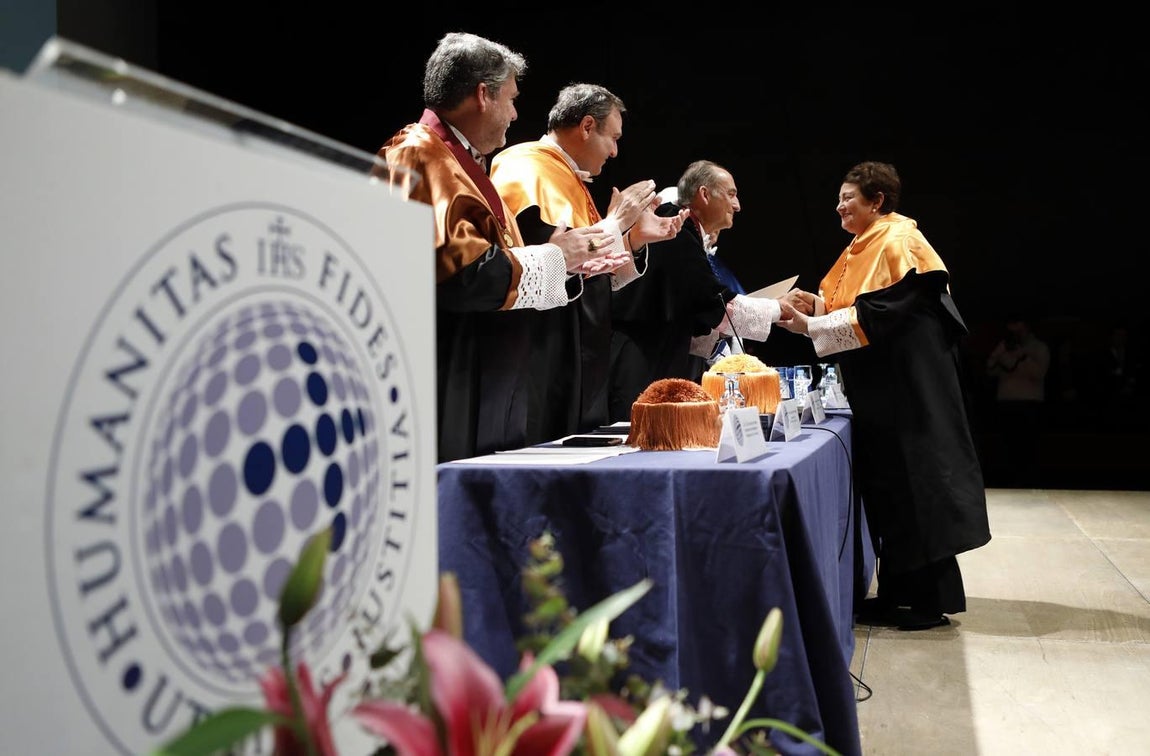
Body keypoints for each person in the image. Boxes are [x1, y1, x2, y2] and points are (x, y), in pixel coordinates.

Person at [375, 32, 625, 462]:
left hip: (487, 364)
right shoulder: (419, 153)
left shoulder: (461, 161)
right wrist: (557, 256)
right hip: (449, 364)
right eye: (510, 99)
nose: (514, 114)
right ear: (482, 95)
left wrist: (568, 259)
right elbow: (461, 275)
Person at [777, 160, 990, 630]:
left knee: (919, 486)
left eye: (848, 198)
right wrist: (813, 307)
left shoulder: (899, 242)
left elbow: (880, 313)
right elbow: (851, 305)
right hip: (880, 391)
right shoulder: (861, 246)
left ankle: (931, 603)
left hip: (912, 392)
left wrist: (812, 324)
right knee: (890, 489)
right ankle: (896, 595)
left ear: (877, 201)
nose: (838, 207)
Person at [489, 83, 686, 441]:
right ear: (586, 126)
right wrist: (616, 224)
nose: (614, 152)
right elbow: (541, 255)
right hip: (544, 349)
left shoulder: (569, 177)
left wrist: (633, 239)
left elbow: (588, 270)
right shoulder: (525, 164)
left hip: (579, 352)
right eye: (613, 138)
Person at [608, 159, 808, 421]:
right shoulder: (675, 225)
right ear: (704, 194)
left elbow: (698, 311)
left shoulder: (684, 230)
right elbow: (714, 305)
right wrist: (778, 308)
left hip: (652, 355)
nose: (737, 206)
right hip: (638, 361)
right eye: (731, 194)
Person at [985, 316, 1050, 402]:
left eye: (1018, 329)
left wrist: (1023, 357)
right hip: (1005, 400)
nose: (1015, 333)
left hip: (1029, 400)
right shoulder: (1005, 347)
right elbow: (991, 372)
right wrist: (995, 355)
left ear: (1027, 327)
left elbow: (1039, 374)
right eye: (1012, 330)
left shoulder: (1039, 347)